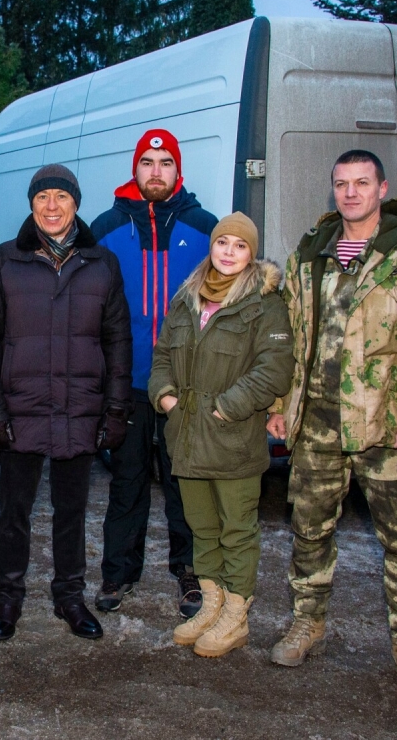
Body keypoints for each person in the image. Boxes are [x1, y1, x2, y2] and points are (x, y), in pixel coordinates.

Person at [266, 148, 397, 693]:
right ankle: (308, 622)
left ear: (382, 188)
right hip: (317, 422)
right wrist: (282, 405)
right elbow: (291, 337)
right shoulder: (312, 252)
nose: (351, 193)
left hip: (385, 424)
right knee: (309, 528)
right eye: (342, 184)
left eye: (361, 183)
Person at [0, 164, 133, 642]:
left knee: (72, 511)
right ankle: (8, 599)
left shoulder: (101, 264)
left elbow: (117, 342)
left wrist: (116, 410)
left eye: (61, 197)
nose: (52, 206)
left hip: (78, 409)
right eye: (43, 197)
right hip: (20, 410)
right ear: (31, 204)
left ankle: (70, 598)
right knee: (14, 512)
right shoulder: (4, 261)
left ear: (76, 204)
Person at [148, 212, 294, 658]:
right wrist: (166, 400)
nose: (229, 252)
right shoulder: (186, 299)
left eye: (240, 245)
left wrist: (225, 406)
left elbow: (274, 368)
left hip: (232, 440)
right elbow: (160, 360)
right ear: (212, 247)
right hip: (187, 439)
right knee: (202, 527)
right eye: (222, 243)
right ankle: (211, 604)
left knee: (237, 530)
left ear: (252, 254)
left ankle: (236, 614)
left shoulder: (265, 304)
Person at [92, 128, 218, 618]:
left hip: (185, 385)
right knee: (126, 482)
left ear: (177, 169)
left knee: (185, 481)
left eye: (166, 162)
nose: (156, 171)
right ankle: (118, 572)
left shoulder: (206, 228)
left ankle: (189, 572)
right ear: (135, 168)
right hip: (124, 381)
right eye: (148, 161)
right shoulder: (104, 228)